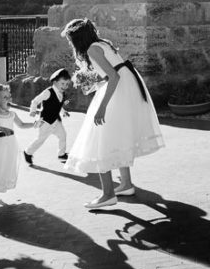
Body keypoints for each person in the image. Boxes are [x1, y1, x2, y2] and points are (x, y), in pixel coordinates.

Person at [61, 18, 164, 209]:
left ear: (77, 38)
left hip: (120, 88)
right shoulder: (102, 43)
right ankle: (125, 184)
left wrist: (102, 107)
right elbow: (116, 72)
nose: (70, 44)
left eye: (70, 39)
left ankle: (108, 194)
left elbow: (114, 77)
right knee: (114, 133)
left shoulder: (92, 49)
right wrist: (96, 85)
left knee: (101, 137)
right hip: (127, 85)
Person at [24, 68, 72, 165]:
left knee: (63, 135)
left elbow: (58, 105)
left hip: (56, 121)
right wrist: (33, 111)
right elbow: (35, 101)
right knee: (40, 140)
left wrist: (63, 111)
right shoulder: (48, 92)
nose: (65, 86)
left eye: (67, 84)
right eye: (62, 83)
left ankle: (61, 154)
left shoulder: (61, 93)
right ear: (55, 82)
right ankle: (27, 152)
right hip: (45, 122)